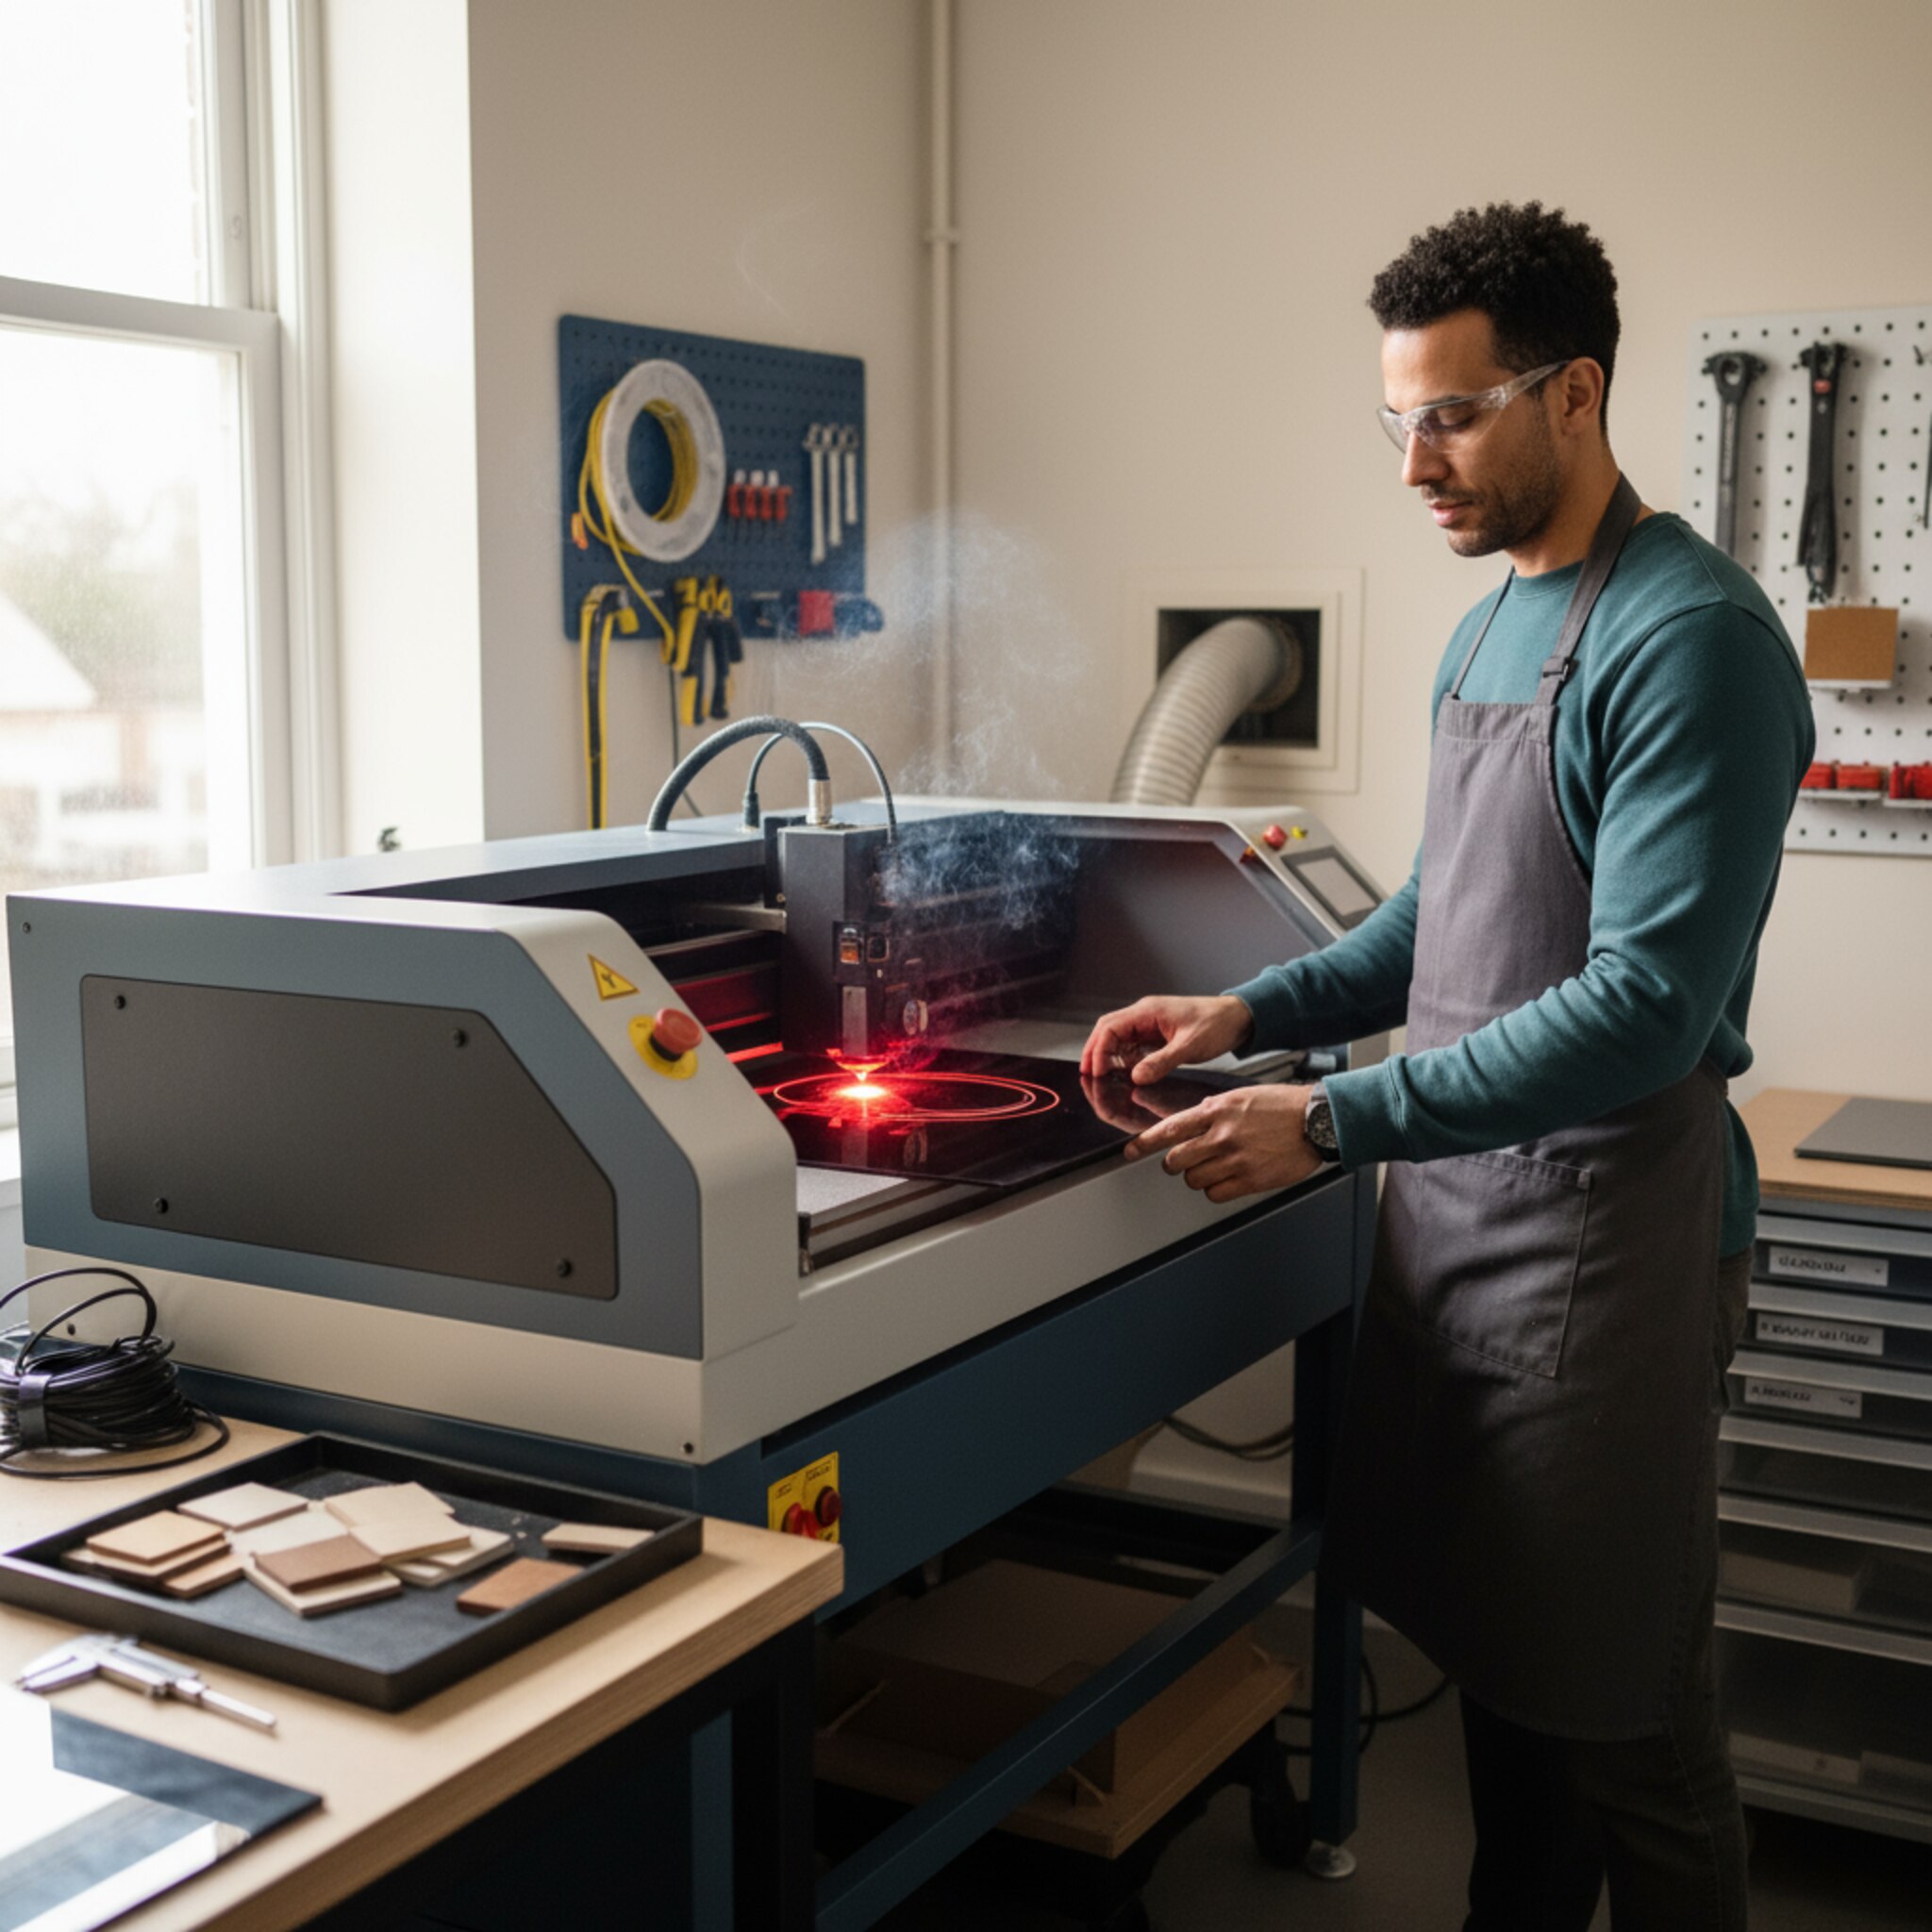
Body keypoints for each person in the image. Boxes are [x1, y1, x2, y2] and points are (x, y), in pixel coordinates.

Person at [1079, 202, 1815, 1930]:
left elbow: (1642, 1003)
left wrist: (1337, 1117)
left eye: (1455, 416)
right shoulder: (1491, 627)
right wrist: (1248, 1012)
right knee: (1508, 1677)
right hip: (1470, 1225)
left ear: (1576, 393)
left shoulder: (1691, 642)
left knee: (1631, 1720)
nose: (1416, 463)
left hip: (1612, 1256)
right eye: (1397, 419)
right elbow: (1441, 912)